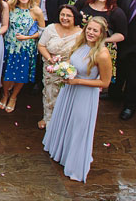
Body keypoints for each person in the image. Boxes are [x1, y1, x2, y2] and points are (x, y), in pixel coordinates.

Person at [43, 15, 112, 182]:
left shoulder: (102, 54)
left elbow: (105, 82)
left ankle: (75, 162)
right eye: (89, 28)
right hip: (69, 90)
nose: (91, 32)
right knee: (66, 120)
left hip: (85, 95)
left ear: (102, 33)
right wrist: (61, 68)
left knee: (79, 126)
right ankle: (62, 152)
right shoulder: (80, 43)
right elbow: (73, 63)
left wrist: (77, 81)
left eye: (95, 30)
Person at [36, 4, 84, 130]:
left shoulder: (80, 34)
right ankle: (47, 118)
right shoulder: (51, 28)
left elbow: (80, 53)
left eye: (68, 15)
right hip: (50, 67)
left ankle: (62, 120)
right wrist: (50, 59)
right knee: (49, 93)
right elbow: (41, 46)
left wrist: (65, 65)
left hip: (69, 69)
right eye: (62, 15)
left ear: (75, 17)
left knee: (65, 95)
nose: (65, 18)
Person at [0, 0, 44, 113]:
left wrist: (28, 37)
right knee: (6, 73)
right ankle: (5, 94)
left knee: (21, 74)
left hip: (25, 48)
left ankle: (14, 97)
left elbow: (42, 31)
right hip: (9, 45)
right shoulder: (10, 6)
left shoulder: (36, 11)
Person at [75, 0, 127, 87]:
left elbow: (122, 35)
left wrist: (103, 39)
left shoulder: (115, 12)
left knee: (96, 81)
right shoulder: (84, 2)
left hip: (101, 50)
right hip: (81, 45)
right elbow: (73, 18)